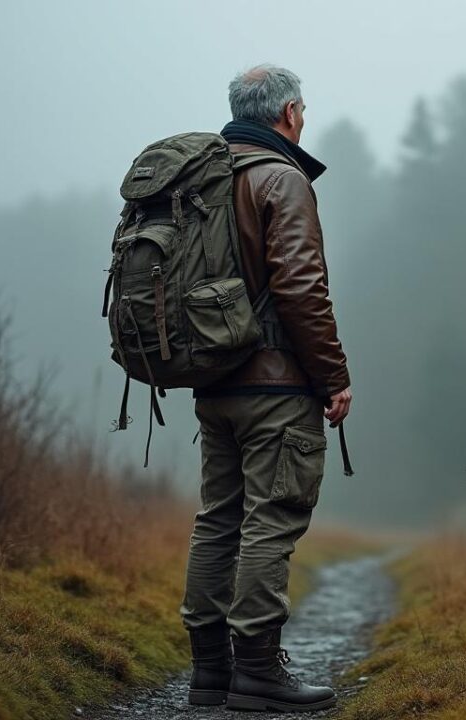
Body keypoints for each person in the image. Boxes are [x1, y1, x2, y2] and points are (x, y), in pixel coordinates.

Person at [179, 64, 353, 713]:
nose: (303, 119)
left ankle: (208, 673)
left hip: (213, 385)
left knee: (218, 520)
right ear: (285, 114)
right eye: (302, 109)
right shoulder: (281, 178)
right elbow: (302, 289)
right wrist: (333, 378)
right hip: (275, 388)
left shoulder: (203, 179)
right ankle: (256, 670)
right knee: (271, 518)